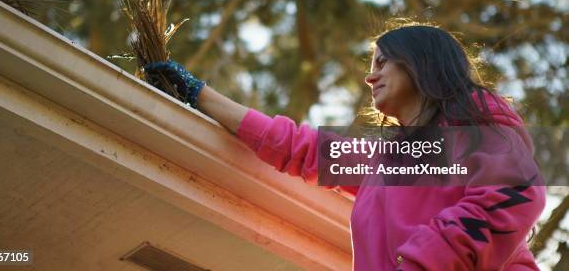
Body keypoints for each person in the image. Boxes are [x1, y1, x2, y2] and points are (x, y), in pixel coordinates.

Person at [144, 24, 546, 270]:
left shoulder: (481, 125)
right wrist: (199, 94)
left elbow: (512, 197)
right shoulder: (387, 157)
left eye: (382, 62)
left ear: (421, 64)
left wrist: (424, 260)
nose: (371, 78)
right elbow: (299, 147)